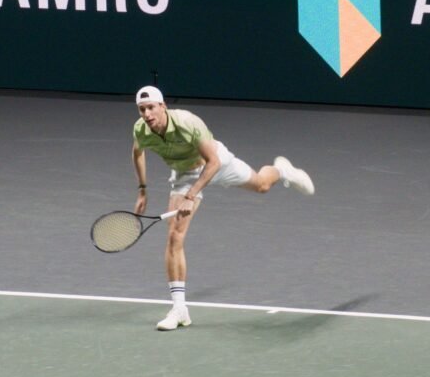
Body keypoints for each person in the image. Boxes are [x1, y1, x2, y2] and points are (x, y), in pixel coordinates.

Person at [131, 85, 314, 330]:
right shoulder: (141, 129)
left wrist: (191, 196)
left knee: (261, 185)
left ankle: (282, 170)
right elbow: (137, 153)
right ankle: (179, 309)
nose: (147, 114)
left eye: (151, 107)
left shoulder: (188, 122)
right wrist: (142, 189)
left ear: (163, 106)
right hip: (185, 174)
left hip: (216, 162)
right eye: (142, 109)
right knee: (175, 236)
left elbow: (213, 162)